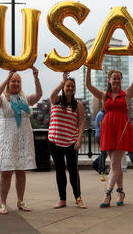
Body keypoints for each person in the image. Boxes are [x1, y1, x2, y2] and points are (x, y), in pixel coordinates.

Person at [86, 66, 133, 207]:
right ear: (109, 80)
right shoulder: (103, 95)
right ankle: (121, 192)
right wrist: (88, 67)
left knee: (113, 163)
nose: (117, 80)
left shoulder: (127, 95)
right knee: (116, 164)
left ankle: (107, 194)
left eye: (119, 78)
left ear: (121, 80)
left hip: (122, 131)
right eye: (114, 78)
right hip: (108, 131)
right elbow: (88, 85)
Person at [0, 67, 42, 215]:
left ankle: (20, 201)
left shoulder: (24, 99)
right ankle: (3, 204)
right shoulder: (2, 99)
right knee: (6, 172)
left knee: (21, 171)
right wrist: (6, 78)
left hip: (23, 137)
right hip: (7, 137)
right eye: (13, 81)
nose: (15, 84)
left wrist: (36, 78)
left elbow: (39, 95)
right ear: (8, 83)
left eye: (18, 81)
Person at [48, 72, 87, 209]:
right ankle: (62, 199)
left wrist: (79, 139)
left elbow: (81, 123)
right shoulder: (55, 100)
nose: (70, 88)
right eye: (68, 86)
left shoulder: (78, 105)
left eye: (72, 86)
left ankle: (78, 198)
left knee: (73, 172)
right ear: (64, 87)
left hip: (71, 142)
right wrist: (62, 81)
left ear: (75, 89)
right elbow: (51, 95)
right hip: (55, 141)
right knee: (60, 171)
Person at [92, 107, 107, 174]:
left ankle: (95, 164)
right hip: (101, 135)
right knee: (104, 153)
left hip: (99, 135)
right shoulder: (101, 114)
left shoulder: (101, 113)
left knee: (104, 153)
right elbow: (102, 126)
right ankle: (101, 169)